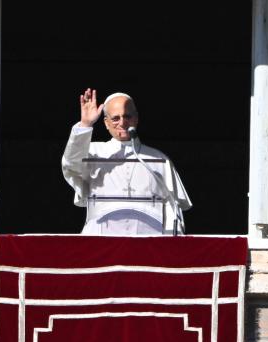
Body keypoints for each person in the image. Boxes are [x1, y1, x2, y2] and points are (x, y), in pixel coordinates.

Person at [62, 88, 192, 236]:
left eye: (127, 116)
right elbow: (70, 165)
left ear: (136, 118)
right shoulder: (92, 152)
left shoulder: (159, 159)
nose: (122, 122)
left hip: (148, 238)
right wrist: (86, 125)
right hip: (102, 236)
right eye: (115, 118)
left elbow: (172, 209)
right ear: (106, 123)